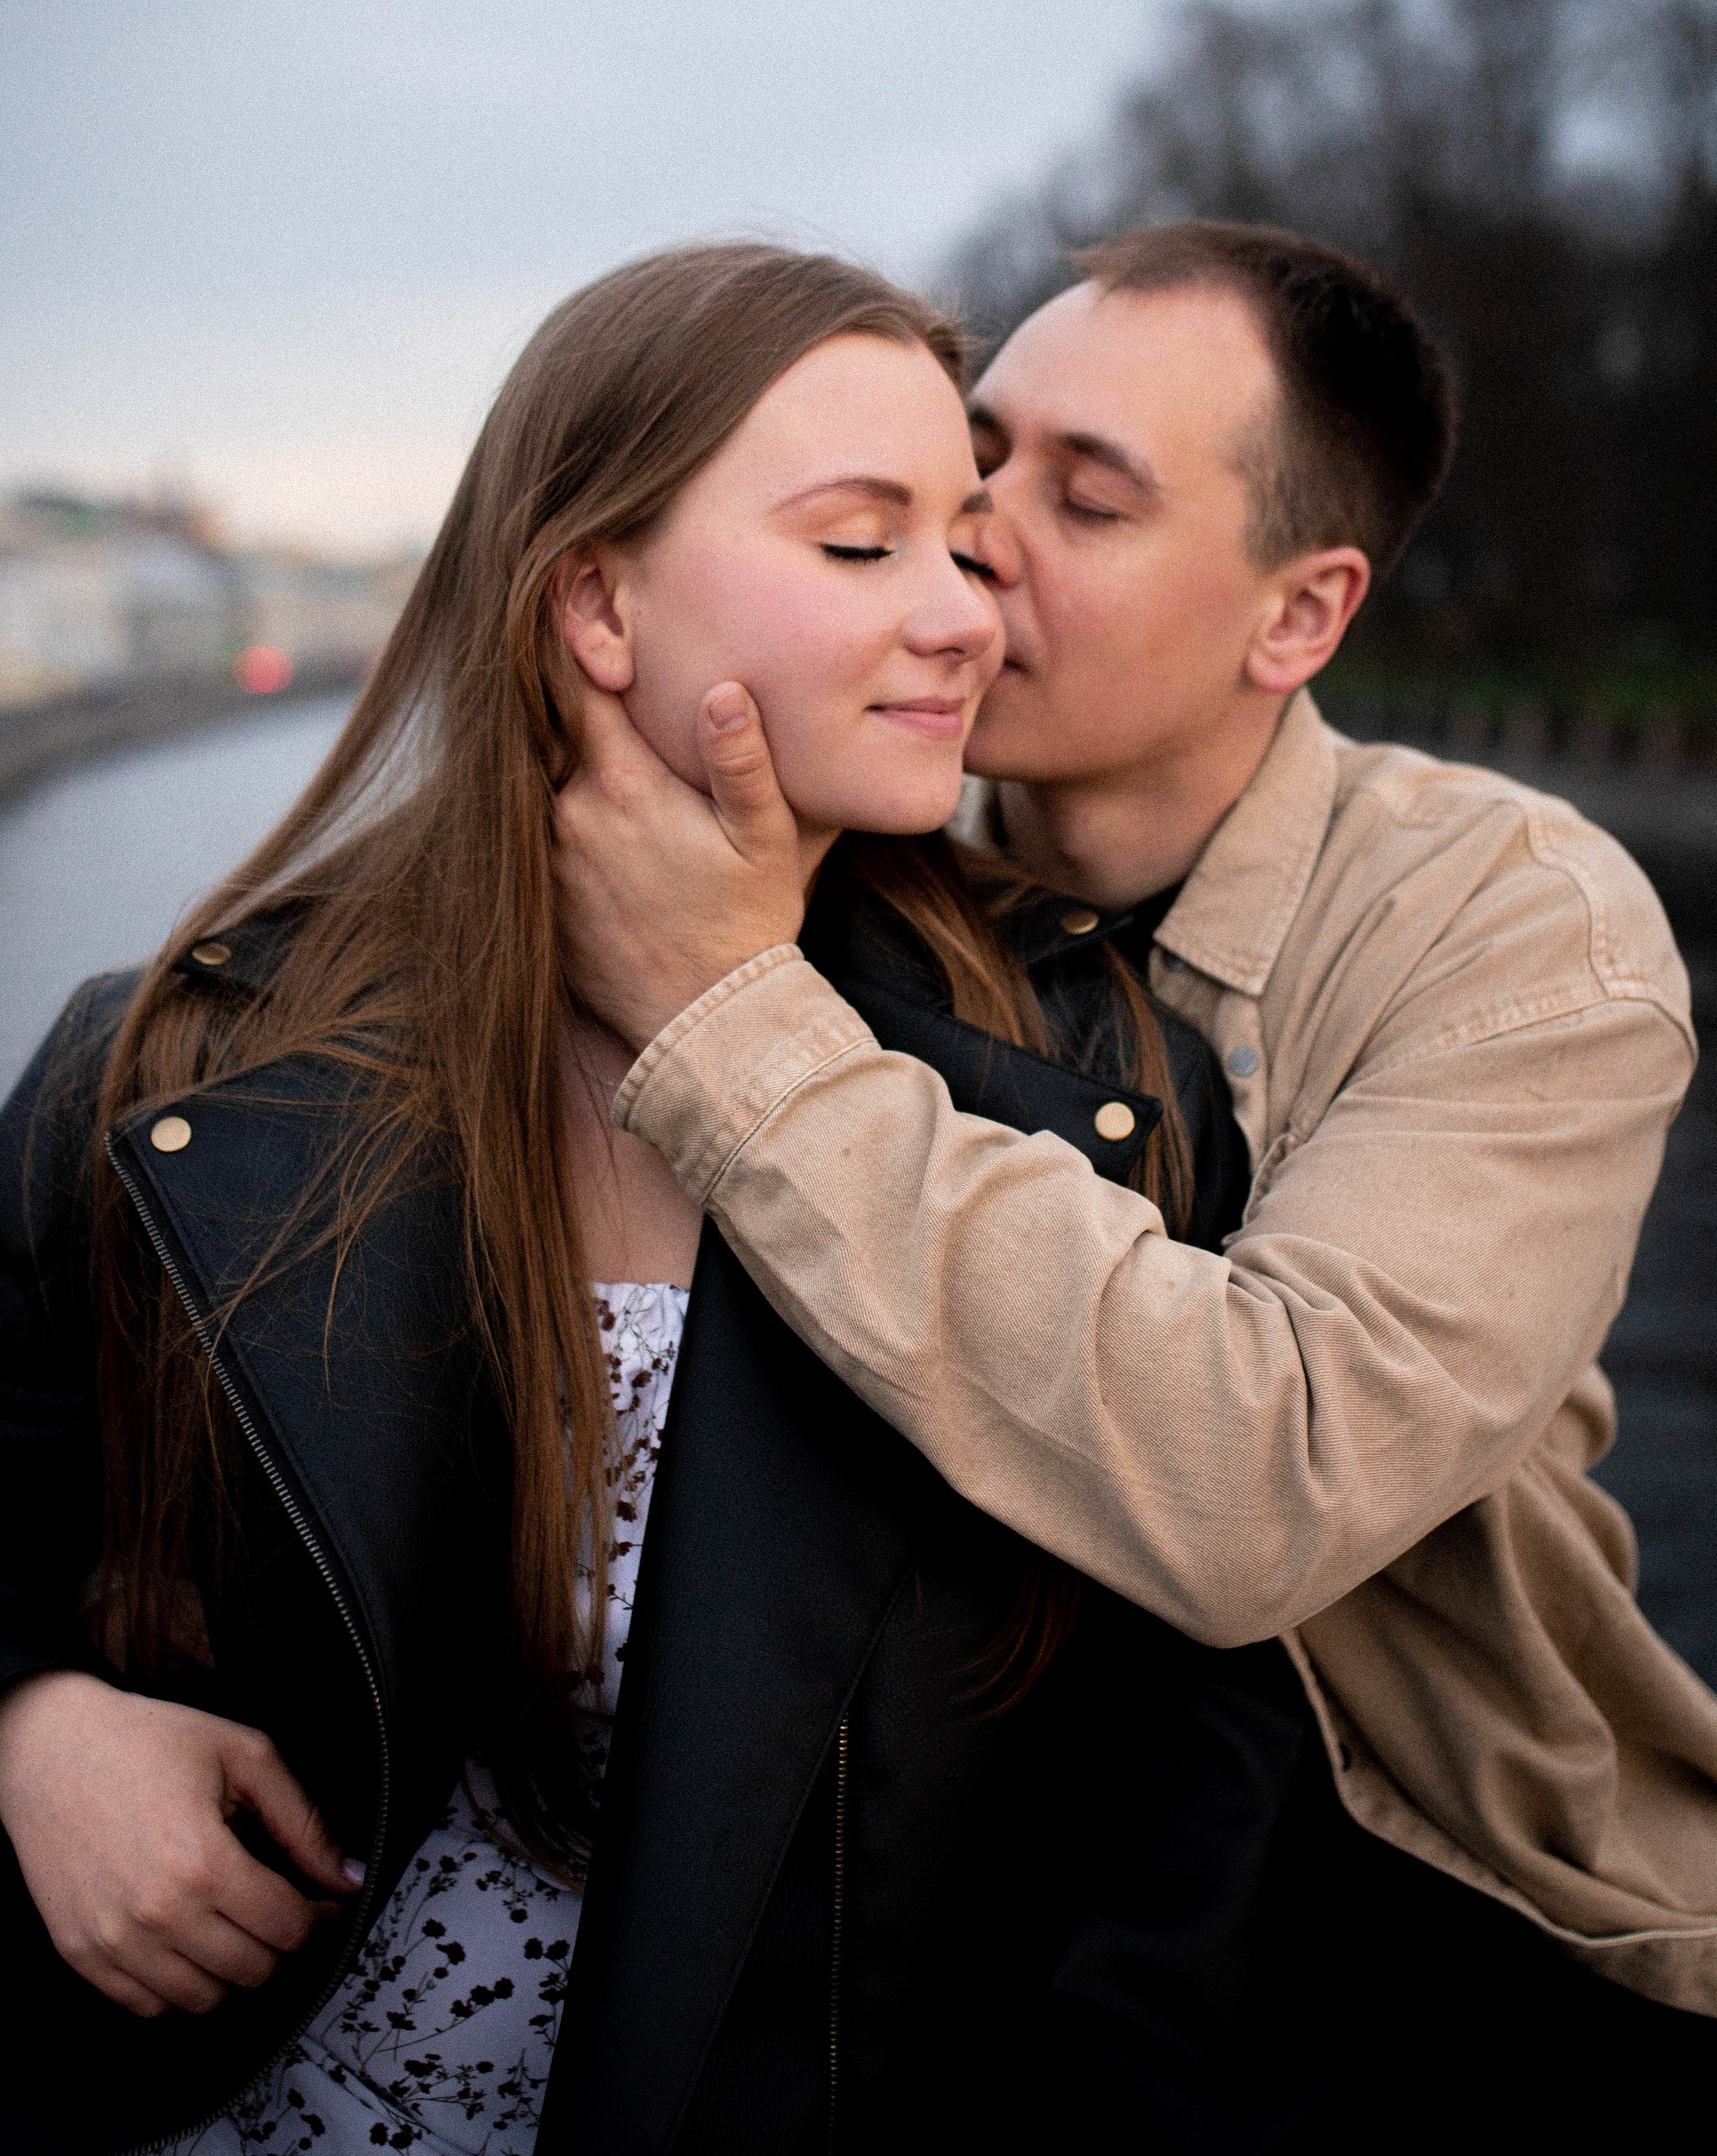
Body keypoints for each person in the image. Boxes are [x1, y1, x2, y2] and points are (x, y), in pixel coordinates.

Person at [0, 243, 1270, 2155]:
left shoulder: (1105, 1087)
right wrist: (25, 1723)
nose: (962, 615)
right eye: (858, 545)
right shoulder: (181, 1065)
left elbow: (1194, 1787)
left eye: (964, 545)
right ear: (591, 602)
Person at [551, 220, 1717, 2126]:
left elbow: (1270, 1474)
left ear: (1295, 616)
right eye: (970, 454)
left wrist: (729, 1025)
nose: (973, 531)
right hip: (896, 1907)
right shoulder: (792, 839)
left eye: (1077, 500)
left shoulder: (1508, 925)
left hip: (1412, 1902)